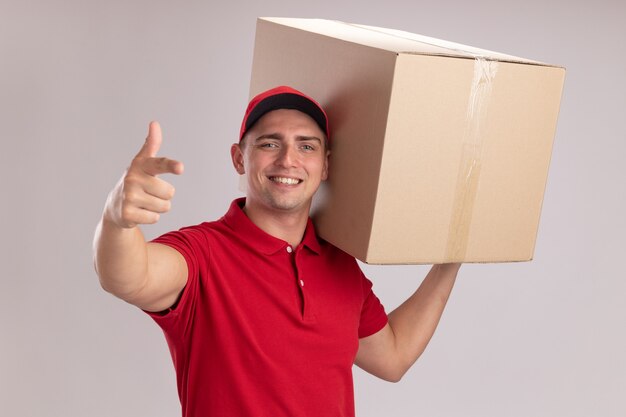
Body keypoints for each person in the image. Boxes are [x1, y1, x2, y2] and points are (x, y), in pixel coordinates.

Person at [93, 86, 461, 417]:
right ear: (240, 158)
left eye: (306, 146)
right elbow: (129, 277)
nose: (288, 159)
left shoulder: (341, 267)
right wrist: (115, 220)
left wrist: (454, 254)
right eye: (270, 143)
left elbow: (393, 358)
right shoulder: (201, 254)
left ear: (325, 164)